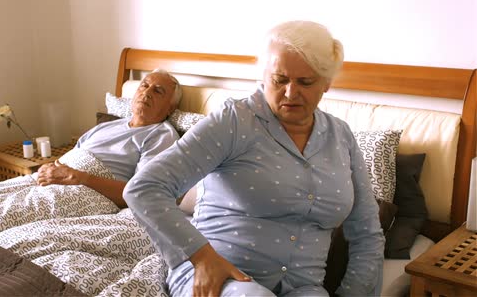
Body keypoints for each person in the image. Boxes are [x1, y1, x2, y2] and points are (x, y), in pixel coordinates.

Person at [123, 21, 385, 296]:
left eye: (305, 82)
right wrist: (202, 257)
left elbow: (367, 233)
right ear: (264, 76)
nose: (291, 92)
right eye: (279, 79)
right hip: (219, 276)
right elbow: (144, 188)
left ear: (327, 83)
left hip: (303, 287)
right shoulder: (235, 121)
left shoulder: (341, 137)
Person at [37, 68, 182, 208]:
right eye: (144, 85)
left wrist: (78, 177)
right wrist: (50, 168)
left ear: (170, 108)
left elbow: (140, 193)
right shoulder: (107, 126)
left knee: (15, 213)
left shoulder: (162, 136)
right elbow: (74, 156)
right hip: (51, 183)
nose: (147, 92)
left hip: (81, 193)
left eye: (158, 91)